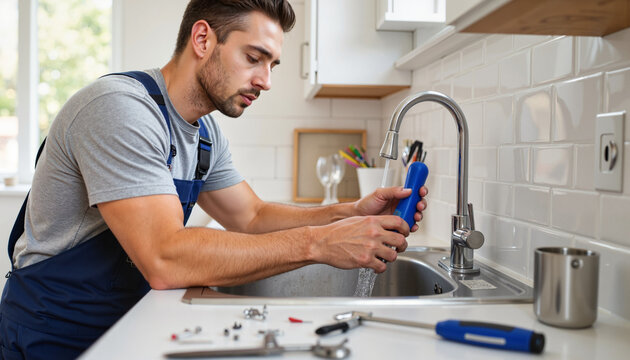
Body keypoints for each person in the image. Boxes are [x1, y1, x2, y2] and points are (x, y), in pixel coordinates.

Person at [0, 0, 428, 358]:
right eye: (254, 57)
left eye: (272, 63)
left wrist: (347, 212)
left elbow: (253, 216)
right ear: (203, 39)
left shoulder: (204, 134)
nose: (266, 80)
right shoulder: (119, 109)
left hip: (123, 323)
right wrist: (320, 242)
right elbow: (165, 259)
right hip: (53, 332)